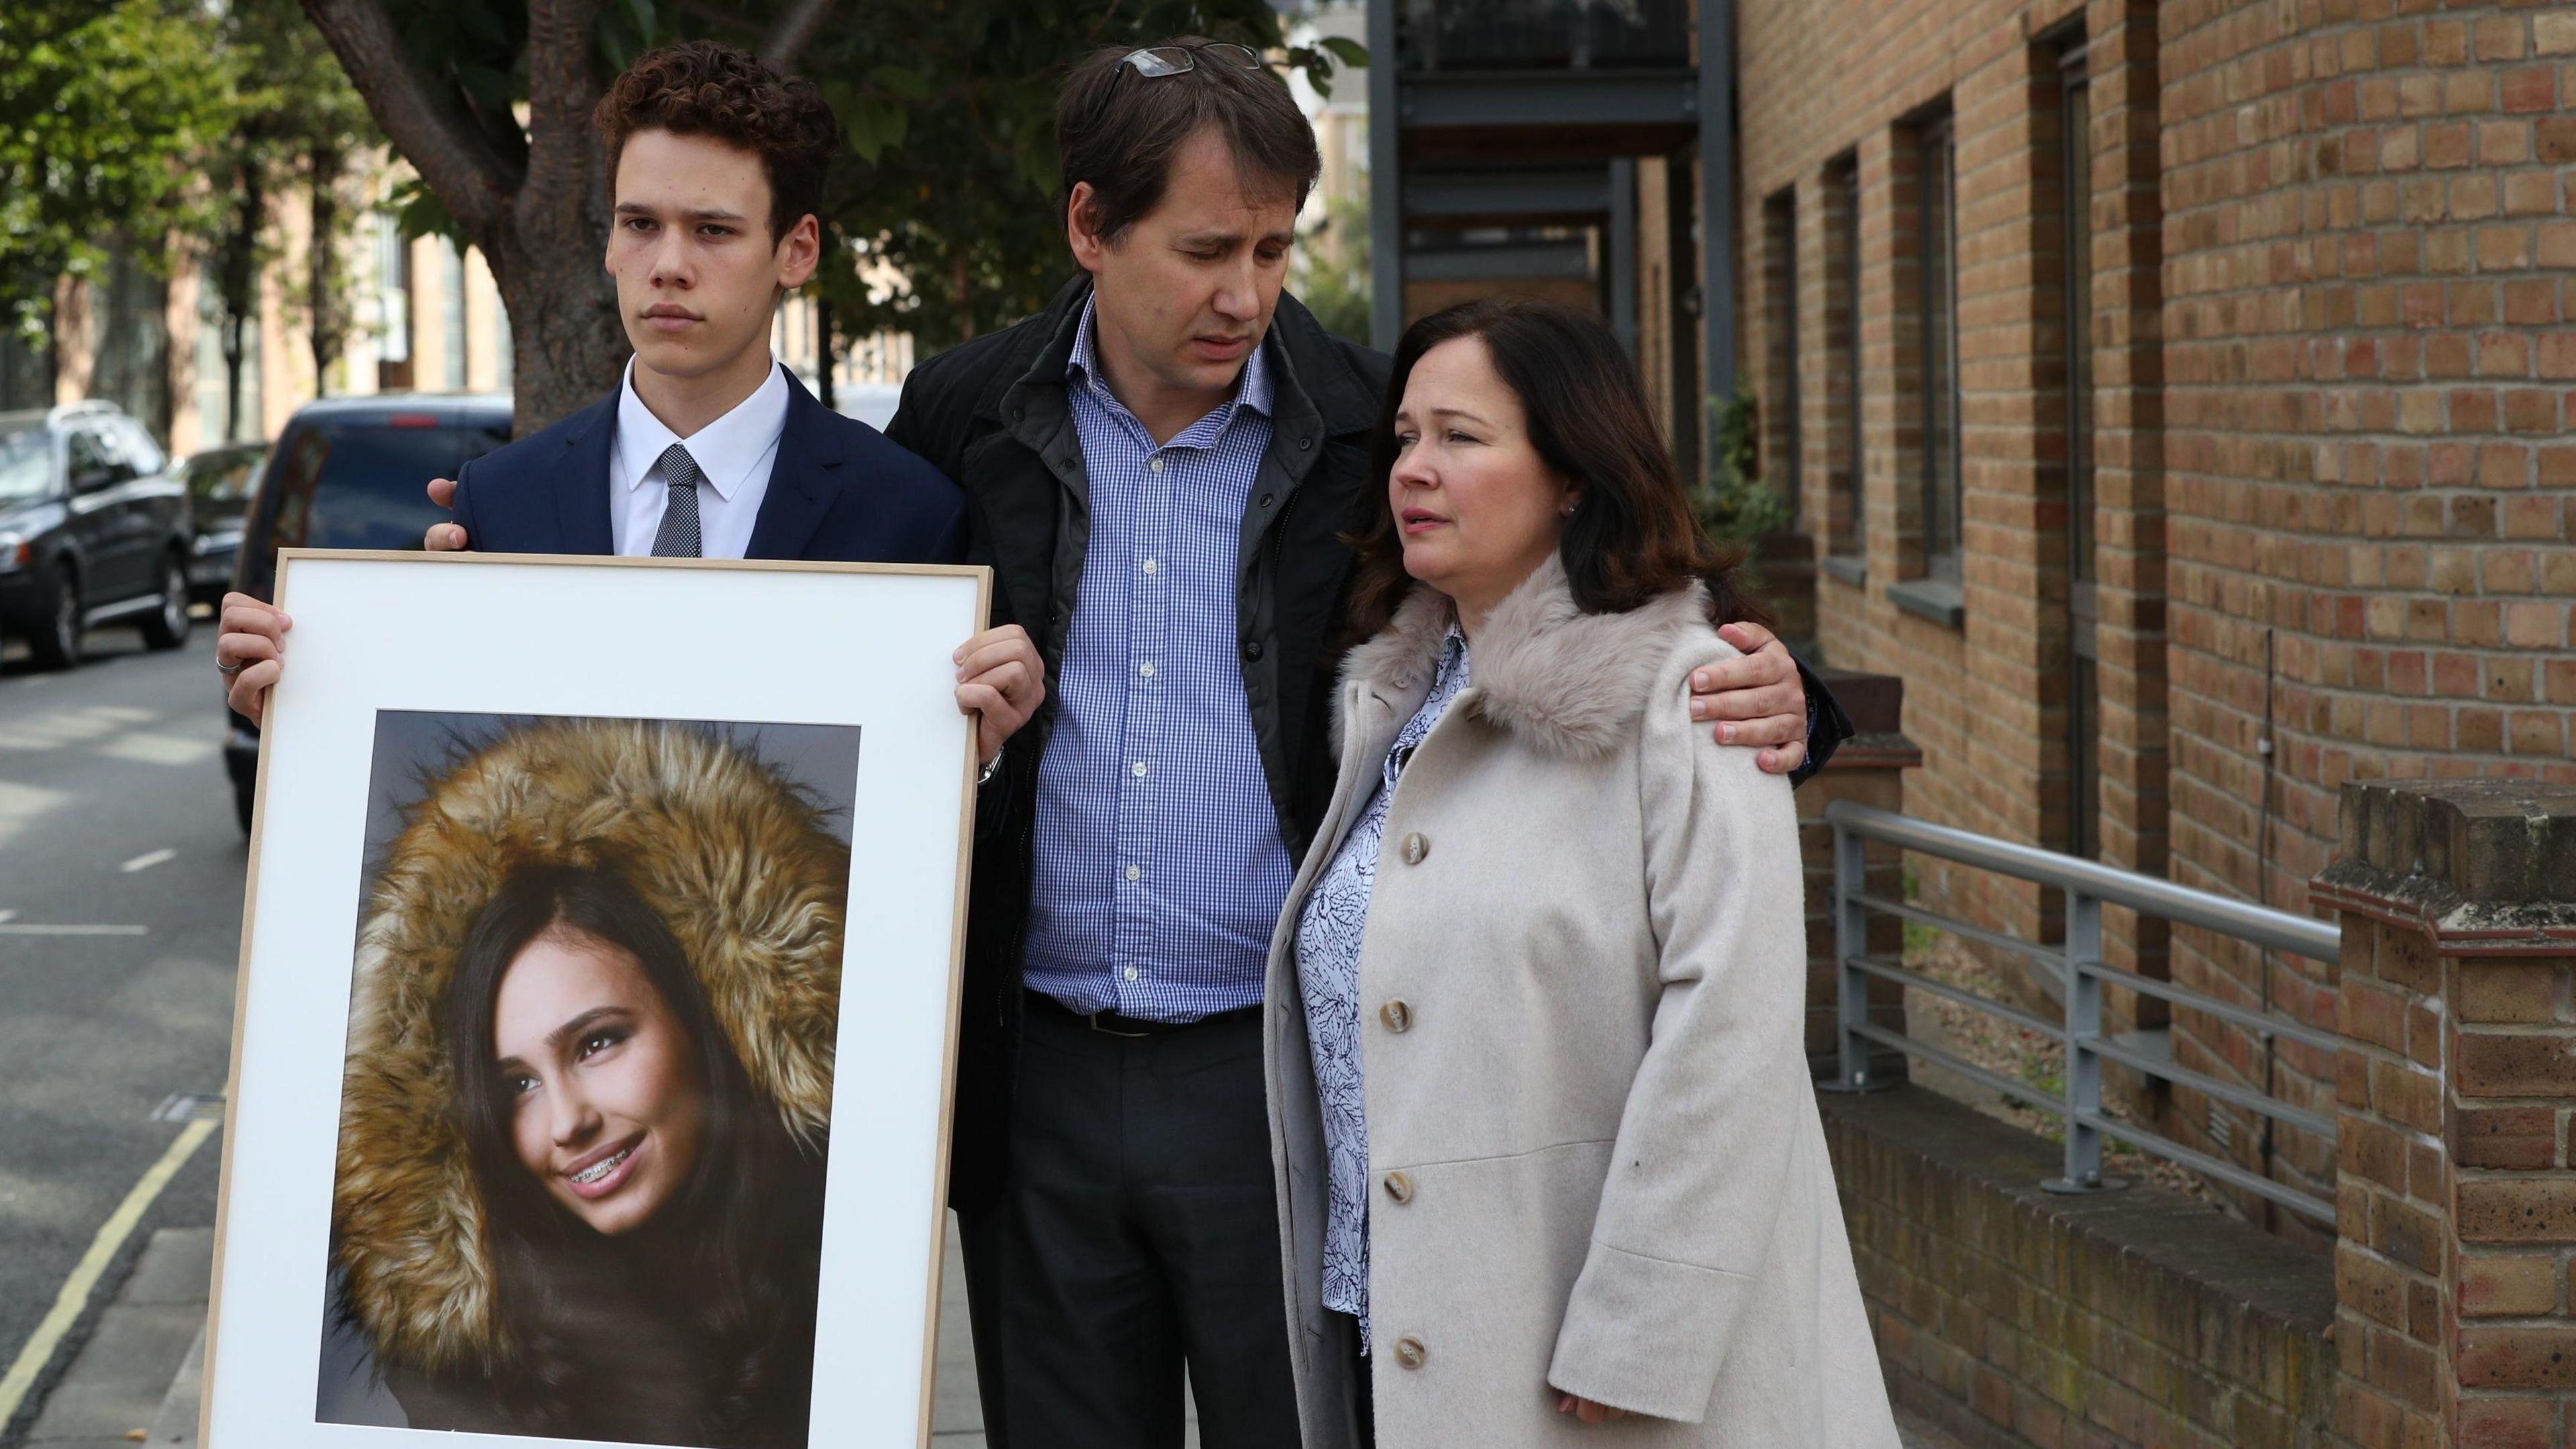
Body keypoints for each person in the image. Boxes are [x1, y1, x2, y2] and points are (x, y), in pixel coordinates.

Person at [881, 40, 1853, 1449]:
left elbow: (1593, 578)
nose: (1248, 294)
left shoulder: (1357, 422)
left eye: (1275, 249)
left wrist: (1795, 698)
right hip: (1033, 1085)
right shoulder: (962, 415)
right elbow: (818, 628)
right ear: (1089, 227)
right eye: (1208, 249)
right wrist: (491, 578)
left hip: (1277, 1075)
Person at [1263, 298, 1898, 1446]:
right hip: (1398, 1340)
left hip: (1607, 1372)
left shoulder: (1693, 696)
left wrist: (1640, 1326)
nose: (1415, 468)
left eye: (1461, 437)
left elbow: (1736, 1033)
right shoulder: (1390, 703)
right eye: (1404, 438)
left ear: (1570, 474)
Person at [215, 41, 1043, 769]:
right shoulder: (497, 503)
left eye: (713, 231)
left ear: (796, 250)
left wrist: (975, 761)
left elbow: (920, 822)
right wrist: (311, 705)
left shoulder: (911, 514)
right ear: (609, 242)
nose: (668, 264)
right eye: (640, 223)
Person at [327, 719, 849, 1448]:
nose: (567, 1122)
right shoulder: (480, 1365)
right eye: (517, 1085)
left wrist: (970, 765)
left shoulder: (856, 1247)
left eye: (597, 1042)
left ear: (706, 1019)